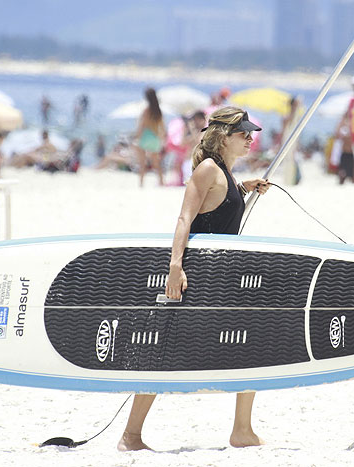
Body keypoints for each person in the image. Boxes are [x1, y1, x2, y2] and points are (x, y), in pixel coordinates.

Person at [118, 107, 272, 452]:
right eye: (243, 134)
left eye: (251, 134)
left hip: (221, 276)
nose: (250, 139)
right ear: (223, 136)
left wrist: (244, 188)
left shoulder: (226, 173)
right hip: (198, 278)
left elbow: (218, 206)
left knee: (252, 343)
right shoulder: (207, 169)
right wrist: (175, 267)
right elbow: (185, 219)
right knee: (163, 353)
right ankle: (130, 436)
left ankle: (243, 431)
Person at [134, 88, 166, 187]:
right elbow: (163, 128)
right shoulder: (158, 111)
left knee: (142, 163)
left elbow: (141, 126)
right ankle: (161, 182)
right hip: (155, 138)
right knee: (156, 163)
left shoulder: (146, 110)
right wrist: (162, 138)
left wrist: (136, 137)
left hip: (146, 136)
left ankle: (141, 183)